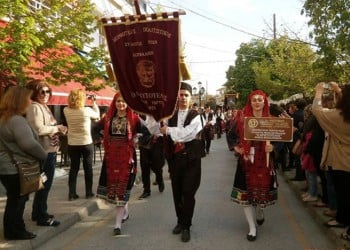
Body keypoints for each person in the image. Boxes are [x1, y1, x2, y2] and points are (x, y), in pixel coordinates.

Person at [226, 90, 277, 241]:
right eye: (254, 99)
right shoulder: (241, 118)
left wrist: (273, 147)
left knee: (262, 194)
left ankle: (260, 210)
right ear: (250, 102)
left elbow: (282, 138)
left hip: (265, 161)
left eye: (260, 99)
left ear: (264, 102)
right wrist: (237, 148)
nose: (257, 102)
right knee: (246, 196)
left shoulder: (272, 119)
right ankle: (252, 227)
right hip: (247, 161)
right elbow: (231, 135)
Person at [95, 92, 146, 236]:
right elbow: (94, 128)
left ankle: (117, 225)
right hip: (111, 158)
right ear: (114, 102)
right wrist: (100, 139)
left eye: (124, 102)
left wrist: (136, 141)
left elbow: (147, 133)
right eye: (118, 101)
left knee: (122, 189)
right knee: (117, 190)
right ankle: (125, 213)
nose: (121, 104)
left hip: (127, 158)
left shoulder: (134, 119)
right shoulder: (108, 118)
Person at [0, 86, 47, 240]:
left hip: (7, 167)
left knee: (14, 199)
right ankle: (16, 231)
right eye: (27, 98)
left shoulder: (4, 119)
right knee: (18, 200)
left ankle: (12, 230)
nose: (29, 101)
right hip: (16, 167)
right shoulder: (16, 120)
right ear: (19, 100)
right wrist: (43, 154)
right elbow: (28, 144)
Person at [159, 82, 204, 243]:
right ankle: (180, 221)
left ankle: (186, 226)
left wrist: (169, 131)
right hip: (175, 160)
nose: (183, 97)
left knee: (188, 192)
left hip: (191, 160)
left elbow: (188, 134)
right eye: (181, 94)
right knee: (177, 192)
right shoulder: (170, 116)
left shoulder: (196, 115)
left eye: (186, 95)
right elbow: (156, 130)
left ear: (190, 97)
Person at [311, 82, 350, 241]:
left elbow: (317, 110)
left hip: (343, 162)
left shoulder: (339, 117)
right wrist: (338, 91)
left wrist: (319, 92)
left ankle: (346, 224)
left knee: (345, 195)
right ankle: (342, 219)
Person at [26, 80, 67, 227]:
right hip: (43, 152)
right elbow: (38, 130)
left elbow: (48, 127)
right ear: (34, 93)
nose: (45, 94)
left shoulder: (44, 107)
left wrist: (58, 129)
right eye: (41, 91)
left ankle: (38, 212)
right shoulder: (35, 108)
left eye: (47, 91)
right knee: (44, 184)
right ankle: (41, 216)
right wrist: (57, 128)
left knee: (44, 184)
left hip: (50, 150)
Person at [64, 89, 100, 201]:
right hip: (86, 142)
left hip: (72, 143)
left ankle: (71, 193)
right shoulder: (86, 111)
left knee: (73, 168)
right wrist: (94, 102)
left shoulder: (66, 110)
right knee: (87, 168)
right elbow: (97, 115)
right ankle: (88, 192)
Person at [299, 104, 325, 203]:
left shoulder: (313, 124)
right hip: (309, 150)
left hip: (310, 150)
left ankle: (313, 193)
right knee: (309, 173)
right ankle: (311, 192)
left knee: (311, 173)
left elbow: (308, 137)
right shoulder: (312, 122)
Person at [138, 116, 165, 199]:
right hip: (144, 143)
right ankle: (146, 190)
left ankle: (160, 180)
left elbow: (165, 127)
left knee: (156, 165)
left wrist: (159, 134)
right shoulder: (141, 114)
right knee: (144, 166)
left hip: (156, 142)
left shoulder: (160, 114)